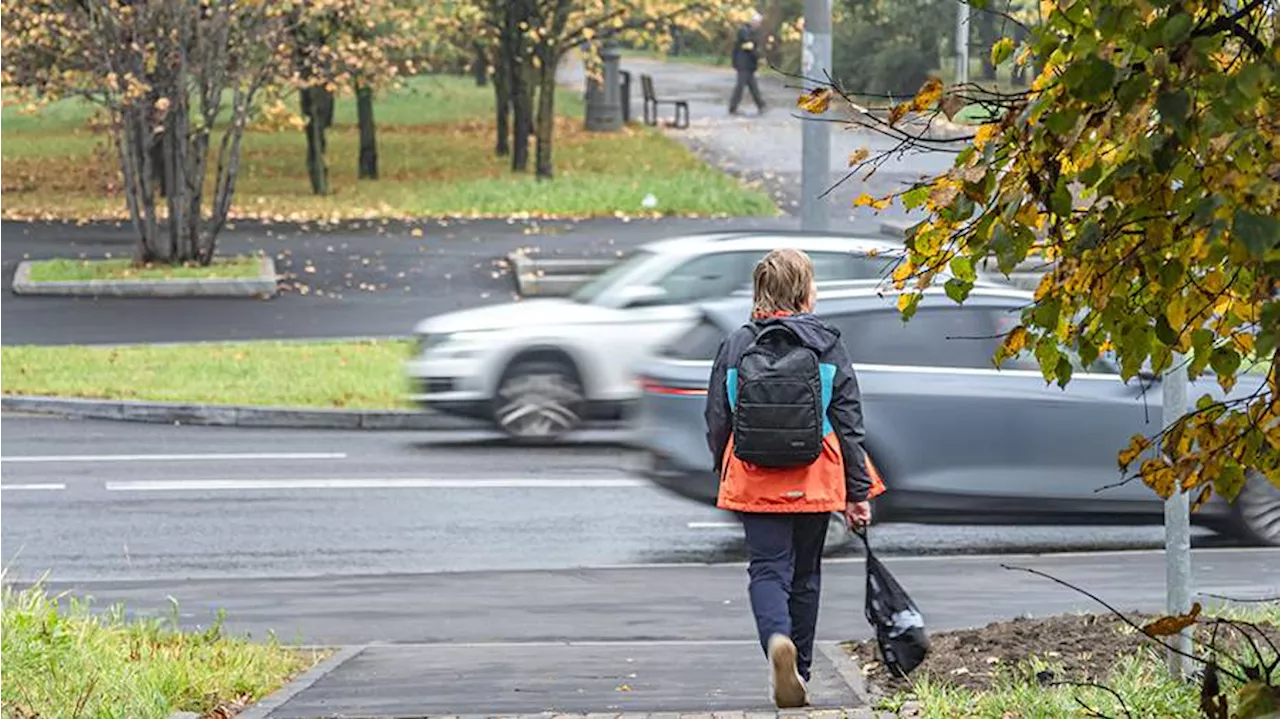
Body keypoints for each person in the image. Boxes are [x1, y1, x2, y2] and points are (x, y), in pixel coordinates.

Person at [704, 248, 875, 709]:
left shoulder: (737, 343)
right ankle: (801, 671)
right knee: (806, 575)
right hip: (813, 474)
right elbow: (849, 422)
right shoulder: (826, 343)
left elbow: (718, 416)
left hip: (754, 475)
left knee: (767, 570)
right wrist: (857, 494)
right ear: (803, 292)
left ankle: (777, 641)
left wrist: (722, 465)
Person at [730, 11, 767, 115]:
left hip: (749, 64)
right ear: (753, 22)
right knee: (740, 87)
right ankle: (733, 108)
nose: (758, 25)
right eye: (757, 22)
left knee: (753, 86)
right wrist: (759, 57)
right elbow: (749, 46)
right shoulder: (744, 31)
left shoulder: (751, 32)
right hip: (743, 63)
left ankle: (761, 105)